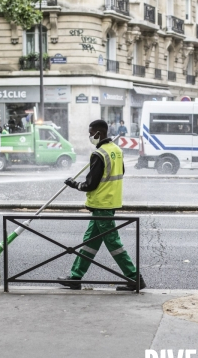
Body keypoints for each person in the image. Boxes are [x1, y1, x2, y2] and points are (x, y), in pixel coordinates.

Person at [58, 119, 146, 292]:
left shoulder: (99, 154)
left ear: (99, 133)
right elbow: (120, 172)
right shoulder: (117, 151)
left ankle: (135, 278)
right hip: (111, 202)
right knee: (90, 242)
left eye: (91, 133)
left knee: (113, 243)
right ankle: (75, 277)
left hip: (101, 203)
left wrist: (74, 184)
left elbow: (90, 184)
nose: (90, 136)